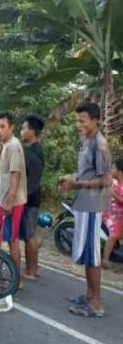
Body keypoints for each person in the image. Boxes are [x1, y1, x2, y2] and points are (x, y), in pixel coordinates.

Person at [59, 103, 111, 318]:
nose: (78, 124)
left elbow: (106, 180)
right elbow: (87, 173)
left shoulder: (99, 144)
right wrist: (72, 179)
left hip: (92, 206)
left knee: (92, 256)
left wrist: (77, 185)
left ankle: (96, 303)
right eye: (77, 120)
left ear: (95, 120)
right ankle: (89, 296)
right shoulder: (86, 141)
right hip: (83, 204)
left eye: (82, 121)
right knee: (86, 254)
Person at [0, 111, 27, 278]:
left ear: (11, 127)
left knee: (12, 239)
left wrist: (9, 202)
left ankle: (16, 278)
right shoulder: (5, 144)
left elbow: (16, 174)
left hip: (12, 201)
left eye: (2, 127)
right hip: (3, 198)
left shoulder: (14, 145)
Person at [19, 115, 45, 280]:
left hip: (29, 198)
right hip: (29, 197)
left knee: (29, 235)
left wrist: (23, 197)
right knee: (29, 235)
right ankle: (33, 268)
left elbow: (33, 180)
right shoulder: (33, 149)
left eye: (24, 128)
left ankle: (31, 270)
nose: (22, 131)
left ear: (32, 131)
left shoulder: (33, 152)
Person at [103, 158, 123, 269]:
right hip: (110, 215)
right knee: (114, 234)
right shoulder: (112, 183)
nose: (111, 169)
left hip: (120, 216)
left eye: (113, 167)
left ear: (119, 172)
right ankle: (105, 259)